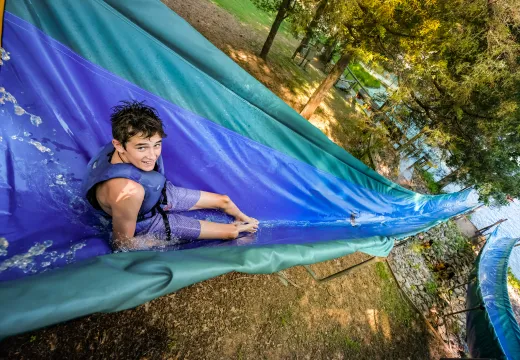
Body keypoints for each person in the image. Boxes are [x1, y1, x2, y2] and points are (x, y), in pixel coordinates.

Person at [83, 101, 258, 250]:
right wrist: (158, 240)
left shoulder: (126, 142)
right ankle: (246, 227)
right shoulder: (127, 191)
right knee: (230, 232)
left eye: (157, 145)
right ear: (119, 145)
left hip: (157, 193)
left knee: (224, 200)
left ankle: (245, 219)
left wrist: (244, 217)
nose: (152, 155)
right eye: (142, 147)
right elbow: (121, 244)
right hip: (148, 221)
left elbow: (147, 163)